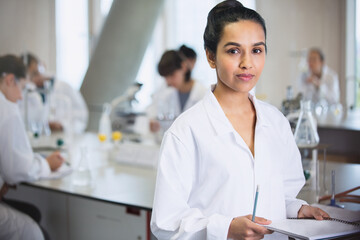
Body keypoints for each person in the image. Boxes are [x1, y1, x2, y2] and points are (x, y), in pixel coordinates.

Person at [150, 1, 329, 240]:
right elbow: (166, 224)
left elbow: (279, 195)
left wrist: (297, 210)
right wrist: (225, 229)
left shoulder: (276, 122)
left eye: (257, 50)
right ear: (211, 57)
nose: (247, 62)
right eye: (234, 51)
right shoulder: (185, 132)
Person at [0, 54, 64, 240]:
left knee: (32, 212)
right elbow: (18, 170)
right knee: (33, 233)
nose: (20, 96)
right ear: (10, 80)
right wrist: (47, 164)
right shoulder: (6, 108)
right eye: (21, 88)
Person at [21, 52, 89, 134]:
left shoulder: (64, 87)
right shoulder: (27, 93)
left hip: (64, 139)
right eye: (30, 77)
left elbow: (82, 117)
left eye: (36, 73)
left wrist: (62, 126)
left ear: (43, 65)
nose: (35, 79)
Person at [147, 49, 207, 133]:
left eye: (172, 75)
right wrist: (153, 124)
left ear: (183, 67)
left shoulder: (203, 95)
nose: (168, 81)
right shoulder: (167, 95)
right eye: (165, 77)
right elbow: (152, 113)